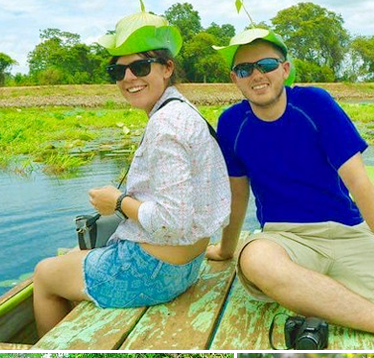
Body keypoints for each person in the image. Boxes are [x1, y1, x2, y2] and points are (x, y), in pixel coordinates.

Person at [212, 29, 374, 350]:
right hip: (285, 238)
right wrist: (228, 250)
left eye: (266, 65)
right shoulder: (231, 123)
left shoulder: (316, 105)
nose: (256, 75)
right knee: (255, 259)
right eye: (245, 69)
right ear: (235, 79)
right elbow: (238, 194)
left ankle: (322, 293)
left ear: (284, 69)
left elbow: (359, 182)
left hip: (346, 233)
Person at [28, 11, 229, 336]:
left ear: (167, 68)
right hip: (188, 265)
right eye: (117, 70)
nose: (128, 78)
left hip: (153, 271)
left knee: (44, 274)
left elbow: (172, 219)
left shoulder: (165, 125)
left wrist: (117, 202)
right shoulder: (184, 110)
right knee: (75, 258)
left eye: (140, 67)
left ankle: (52, 349)